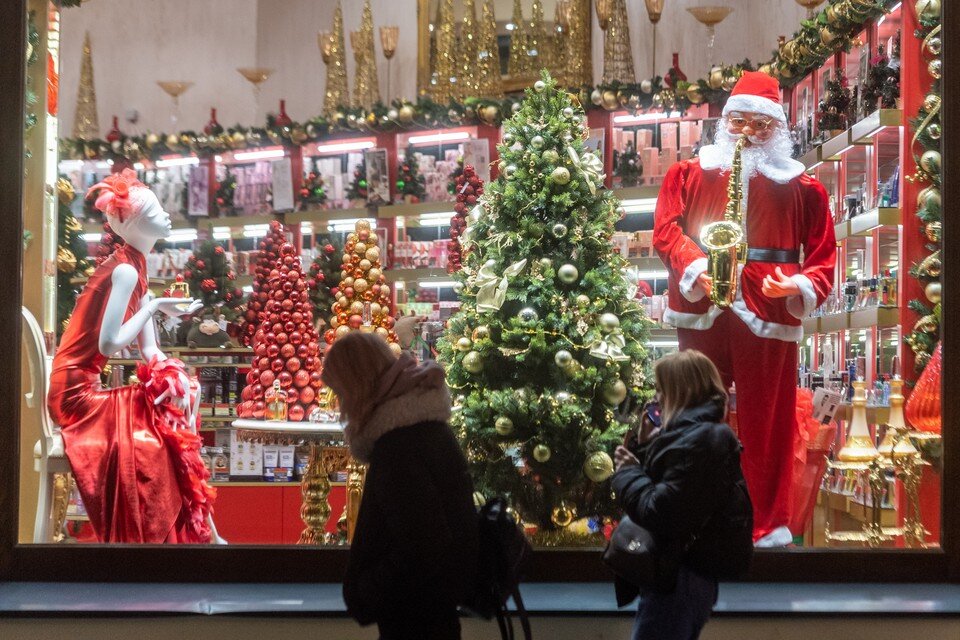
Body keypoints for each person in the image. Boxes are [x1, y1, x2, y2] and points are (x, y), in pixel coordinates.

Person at [653, 71, 836, 546]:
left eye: (759, 124)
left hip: (769, 305)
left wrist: (795, 284)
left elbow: (822, 258)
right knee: (694, 412)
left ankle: (764, 522)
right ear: (724, 120)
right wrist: (695, 267)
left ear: (777, 127)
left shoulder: (804, 186)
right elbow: (667, 231)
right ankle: (695, 511)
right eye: (738, 121)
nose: (747, 133)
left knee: (768, 419)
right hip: (702, 300)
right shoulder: (687, 174)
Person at [48, 168, 223, 544]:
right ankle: (175, 531)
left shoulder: (136, 264)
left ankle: (198, 523)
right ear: (139, 223)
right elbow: (110, 345)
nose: (167, 216)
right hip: (75, 394)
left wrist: (177, 377)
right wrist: (157, 304)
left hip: (86, 387)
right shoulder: (125, 271)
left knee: (179, 399)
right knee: (156, 433)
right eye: (159, 210)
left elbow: (150, 350)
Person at [321, 332, 478, 640]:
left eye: (340, 392)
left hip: (413, 620)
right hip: (431, 615)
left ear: (357, 384)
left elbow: (423, 545)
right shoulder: (421, 428)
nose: (341, 405)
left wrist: (368, 591)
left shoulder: (399, 446)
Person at [612, 350, 753, 640]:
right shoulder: (696, 437)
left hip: (680, 577)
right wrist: (644, 447)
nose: (658, 398)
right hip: (679, 574)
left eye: (662, 390)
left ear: (680, 392)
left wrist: (626, 473)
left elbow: (660, 512)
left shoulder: (700, 442)